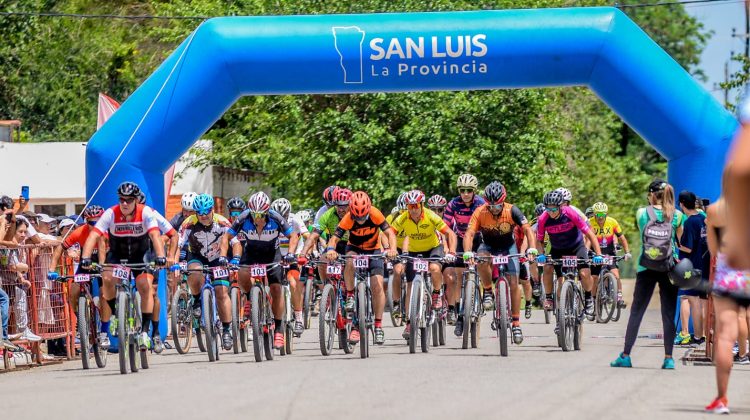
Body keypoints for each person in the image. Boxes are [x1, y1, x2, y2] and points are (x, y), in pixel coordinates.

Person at [80, 182, 168, 350]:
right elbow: (94, 235)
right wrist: (85, 257)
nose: (125, 203)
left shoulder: (145, 212)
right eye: (122, 200)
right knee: (106, 278)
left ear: (136, 200)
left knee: (145, 287)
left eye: (128, 200)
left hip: (140, 254)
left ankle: (144, 332)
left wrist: (161, 256)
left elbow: (155, 235)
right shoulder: (111, 213)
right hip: (118, 255)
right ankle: (115, 316)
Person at [611, 179, 684, 370]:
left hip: (646, 267)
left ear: (651, 194)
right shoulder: (677, 215)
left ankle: (626, 355)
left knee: (637, 312)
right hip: (669, 267)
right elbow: (680, 241)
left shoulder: (642, 213)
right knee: (668, 314)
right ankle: (668, 358)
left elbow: (642, 230)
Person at [221, 191, 299, 350]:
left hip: (272, 254)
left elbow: (293, 236)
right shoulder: (243, 217)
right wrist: (223, 256)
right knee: (242, 273)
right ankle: (251, 298)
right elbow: (226, 237)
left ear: (267, 212)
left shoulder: (276, 217)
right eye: (254, 214)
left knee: (276, 288)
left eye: (261, 215)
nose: (258, 218)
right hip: (251, 253)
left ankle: (278, 329)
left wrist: (290, 254)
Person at [462, 181, 534, 343]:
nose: (494, 209)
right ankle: (487, 290)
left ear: (503, 201)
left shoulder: (512, 210)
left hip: (508, 247)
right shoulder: (480, 211)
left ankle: (516, 323)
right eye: (491, 206)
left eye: (498, 205)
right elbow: (469, 233)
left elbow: (528, 230)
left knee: (514, 283)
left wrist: (532, 249)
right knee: (481, 259)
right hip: (488, 246)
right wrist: (467, 251)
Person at [324, 191, 398, 345]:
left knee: (377, 286)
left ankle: (378, 326)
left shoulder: (375, 214)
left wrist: (392, 249)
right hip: (355, 248)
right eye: (357, 217)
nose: (361, 219)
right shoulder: (348, 217)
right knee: (349, 260)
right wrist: (330, 250)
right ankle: (350, 295)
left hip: (374, 249)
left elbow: (390, 233)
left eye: (363, 216)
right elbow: (334, 238)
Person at [704, 173, 750, 414]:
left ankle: (722, 398)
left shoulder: (715, 210)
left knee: (725, 335)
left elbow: (712, 249)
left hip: (729, 275)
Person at [391, 190, 457, 340]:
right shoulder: (402, 218)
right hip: (414, 251)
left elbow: (450, 234)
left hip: (433, 248)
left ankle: (436, 294)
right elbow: (390, 233)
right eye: (410, 206)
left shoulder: (430, 215)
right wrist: (392, 249)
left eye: (416, 205)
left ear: (421, 205)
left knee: (434, 268)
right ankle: (409, 322)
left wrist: (452, 251)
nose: (413, 209)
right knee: (410, 286)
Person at [176, 194, 236, 351]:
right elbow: (177, 244)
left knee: (222, 292)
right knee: (195, 273)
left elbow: (235, 242)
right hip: (197, 256)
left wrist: (235, 259)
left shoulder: (222, 222)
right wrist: (175, 263)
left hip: (218, 259)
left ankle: (227, 330)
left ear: (212, 210)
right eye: (199, 212)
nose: (203, 216)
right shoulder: (188, 224)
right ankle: (196, 301)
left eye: (206, 212)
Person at [533, 190, 604, 318]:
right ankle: (549, 298)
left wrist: (598, 254)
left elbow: (590, 234)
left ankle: (588, 299)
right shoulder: (544, 218)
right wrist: (541, 254)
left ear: (561, 206)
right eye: (548, 209)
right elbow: (539, 240)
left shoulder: (571, 213)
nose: (551, 213)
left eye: (554, 210)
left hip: (576, 247)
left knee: (584, 273)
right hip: (557, 249)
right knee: (547, 267)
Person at [47, 206, 109, 345]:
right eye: (91, 223)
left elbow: (109, 250)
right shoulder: (79, 232)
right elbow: (60, 249)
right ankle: (83, 319)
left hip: (104, 262)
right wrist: (51, 269)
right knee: (73, 293)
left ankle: (104, 332)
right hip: (86, 263)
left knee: (105, 294)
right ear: (86, 221)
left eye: (97, 223)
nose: (94, 226)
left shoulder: (107, 231)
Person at [443, 174, 486, 336]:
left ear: (474, 191)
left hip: (479, 238)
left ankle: (483, 293)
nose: (465, 193)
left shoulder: (481, 204)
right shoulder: (453, 204)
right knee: (459, 276)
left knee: (481, 266)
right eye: (462, 190)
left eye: (469, 190)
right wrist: (447, 248)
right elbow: (444, 229)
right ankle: (460, 315)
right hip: (461, 238)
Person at [271, 197, 310, 336]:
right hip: (277, 256)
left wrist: (308, 252)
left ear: (289, 213)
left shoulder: (295, 220)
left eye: (285, 215)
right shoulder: (270, 220)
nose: (282, 218)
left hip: (294, 254)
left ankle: (299, 318)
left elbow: (307, 235)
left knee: (294, 283)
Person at [675, 190, 709, 347]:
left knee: (692, 300)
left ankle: (697, 336)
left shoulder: (689, 222)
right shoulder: (703, 218)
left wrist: (677, 245)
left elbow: (688, 248)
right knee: (703, 302)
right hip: (705, 264)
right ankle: (703, 334)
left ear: (682, 204)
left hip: (692, 266)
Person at [588, 202, 632, 309]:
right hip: (595, 253)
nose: (600, 217)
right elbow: (585, 239)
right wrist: (586, 252)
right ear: (594, 214)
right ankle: (592, 300)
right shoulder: (589, 222)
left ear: (606, 214)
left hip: (609, 253)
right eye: (598, 215)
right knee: (593, 277)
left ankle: (619, 298)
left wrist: (627, 252)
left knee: (616, 275)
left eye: (603, 215)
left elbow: (622, 238)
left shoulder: (612, 222)